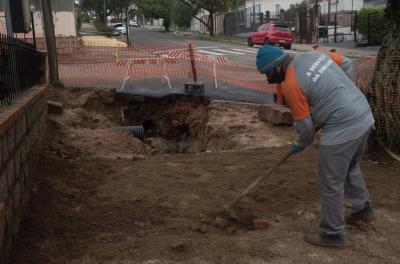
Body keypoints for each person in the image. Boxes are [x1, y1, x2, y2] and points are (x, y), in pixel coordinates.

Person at [256, 45, 375, 248]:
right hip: (363, 115)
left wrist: (298, 144)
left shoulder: (291, 85)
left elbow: (306, 131)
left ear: (277, 68)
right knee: (349, 167)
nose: (269, 79)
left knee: (330, 182)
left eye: (268, 73)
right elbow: (346, 62)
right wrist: (346, 92)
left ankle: (332, 234)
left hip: (342, 128)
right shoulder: (312, 55)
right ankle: (362, 209)